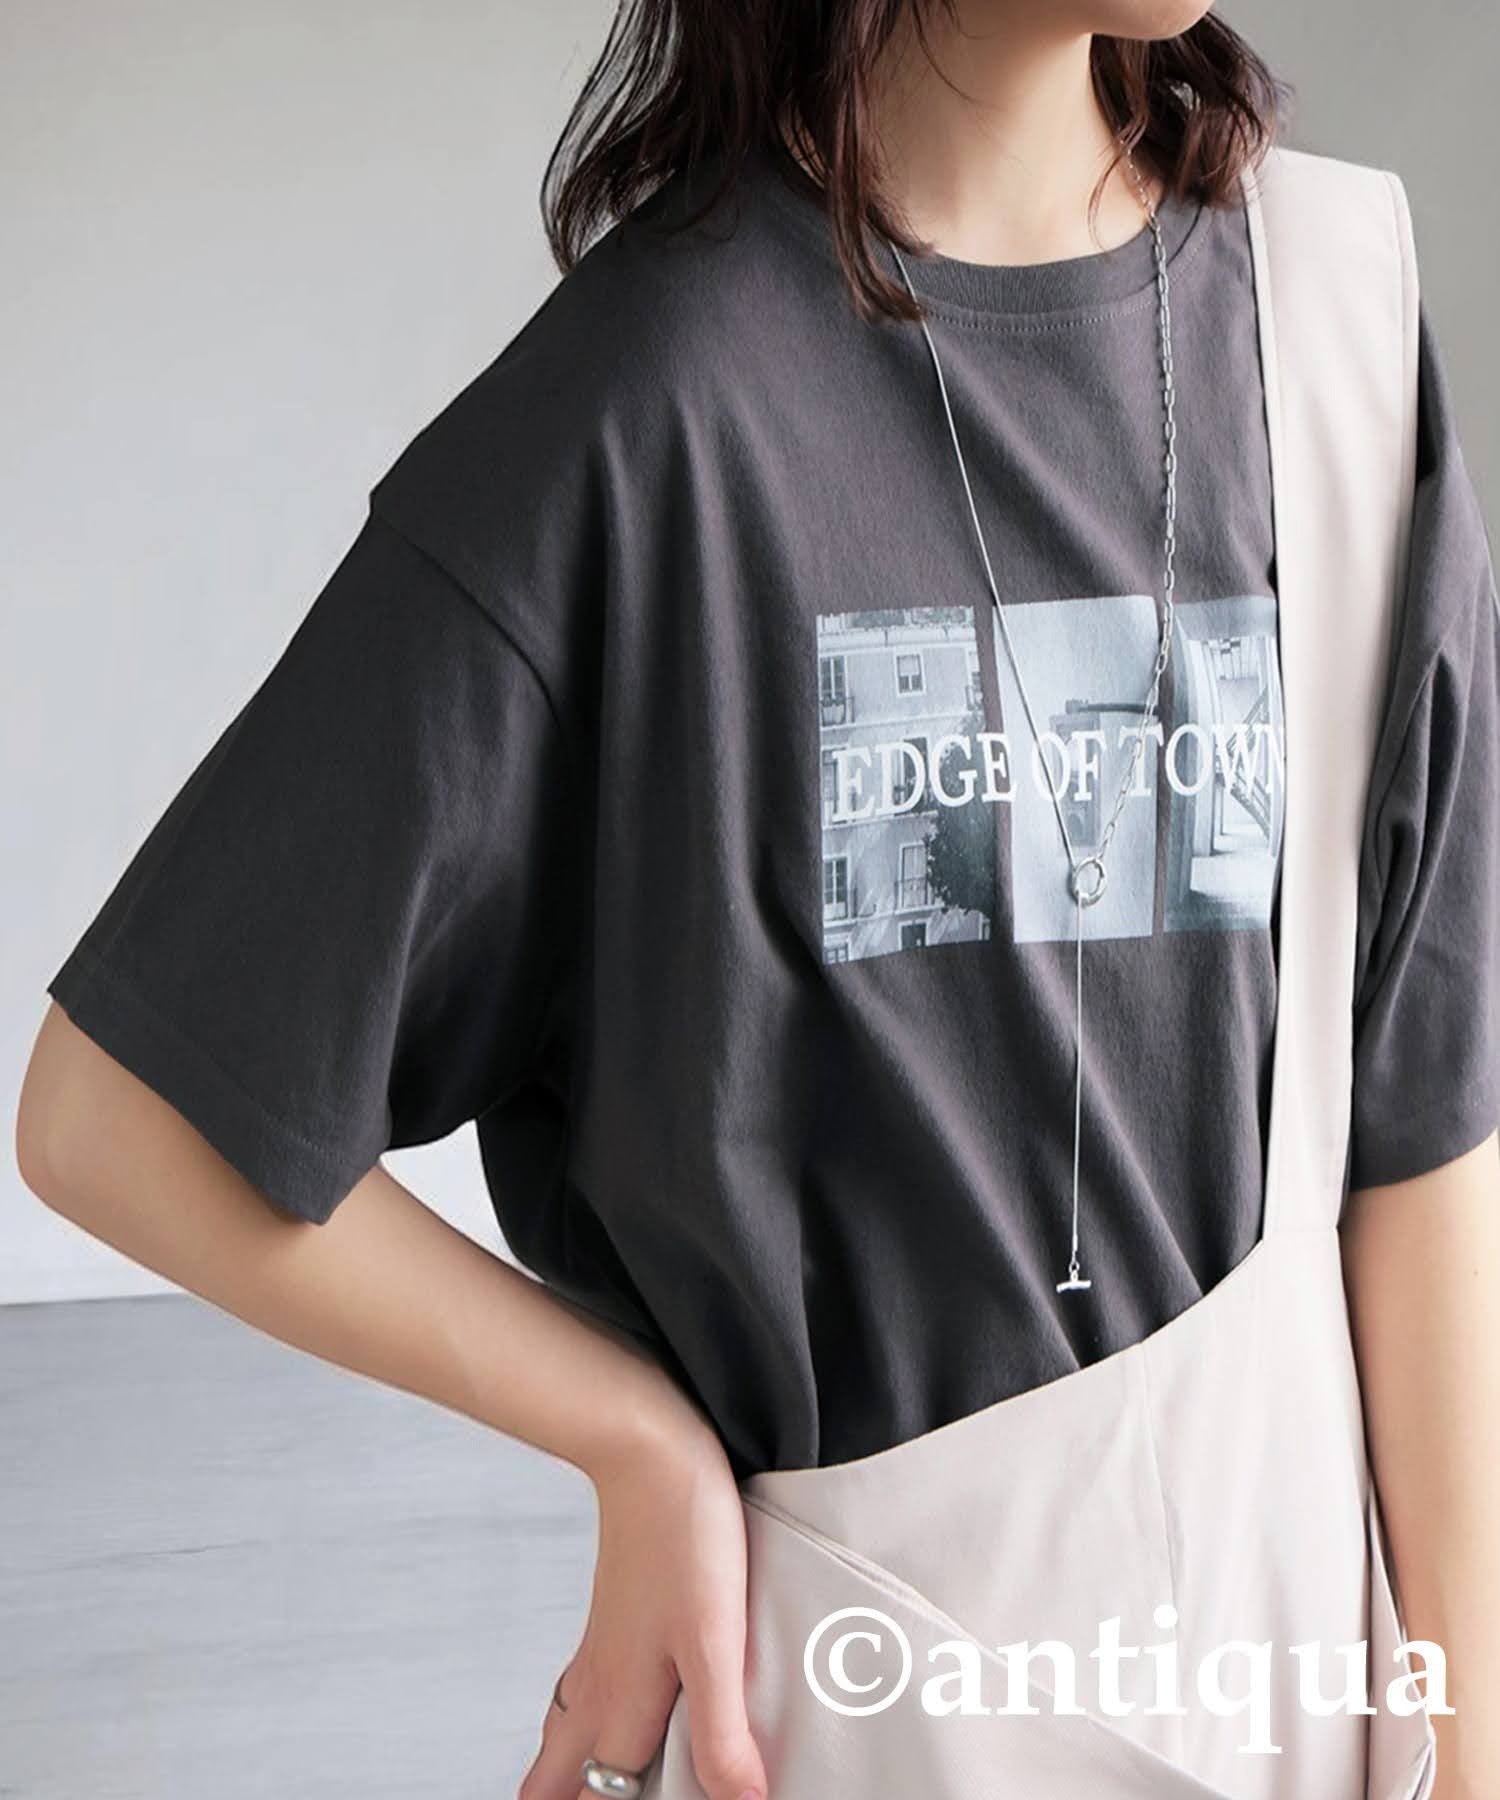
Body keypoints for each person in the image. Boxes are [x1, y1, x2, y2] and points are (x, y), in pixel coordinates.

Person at [16, 2, 1500, 1796]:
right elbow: (119, 1114)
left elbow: (1418, 1129)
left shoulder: (1332, 322)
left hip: (1316, 1702)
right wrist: (628, 1432)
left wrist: (1469, 1748)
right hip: (871, 1724)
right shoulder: (657, 406)